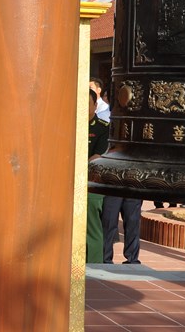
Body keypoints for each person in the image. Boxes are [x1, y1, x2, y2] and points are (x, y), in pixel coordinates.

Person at [86, 88, 109, 263]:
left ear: (95, 105)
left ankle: (94, 265)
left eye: (87, 104)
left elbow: (97, 157)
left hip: (91, 184)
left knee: (91, 227)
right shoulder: (65, 124)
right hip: (65, 185)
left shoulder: (102, 129)